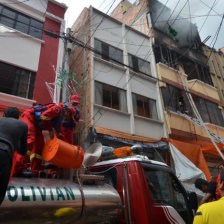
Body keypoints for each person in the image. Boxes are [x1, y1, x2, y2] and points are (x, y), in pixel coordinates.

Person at [14, 95, 80, 177]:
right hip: (30, 117)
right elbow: (44, 116)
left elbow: (60, 133)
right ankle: (17, 169)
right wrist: (49, 129)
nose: (68, 119)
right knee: (30, 141)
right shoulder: (58, 109)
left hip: (37, 125)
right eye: (69, 116)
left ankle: (36, 170)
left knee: (39, 146)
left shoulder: (61, 119)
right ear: (67, 112)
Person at [0, 107, 28, 205]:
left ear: (4, 115)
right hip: (4, 153)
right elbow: (23, 150)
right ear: (18, 117)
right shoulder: (23, 125)